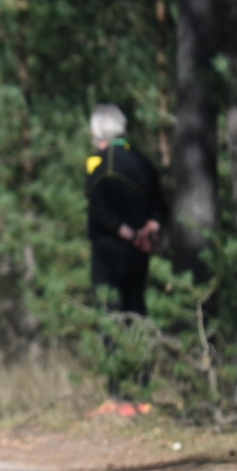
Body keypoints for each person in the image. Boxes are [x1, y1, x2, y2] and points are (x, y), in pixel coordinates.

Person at [85, 103, 166, 315]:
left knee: (111, 315)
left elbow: (100, 212)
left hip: (109, 252)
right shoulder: (144, 161)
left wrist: (132, 237)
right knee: (136, 310)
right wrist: (147, 233)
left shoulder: (99, 164)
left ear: (98, 133)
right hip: (139, 252)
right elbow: (160, 207)